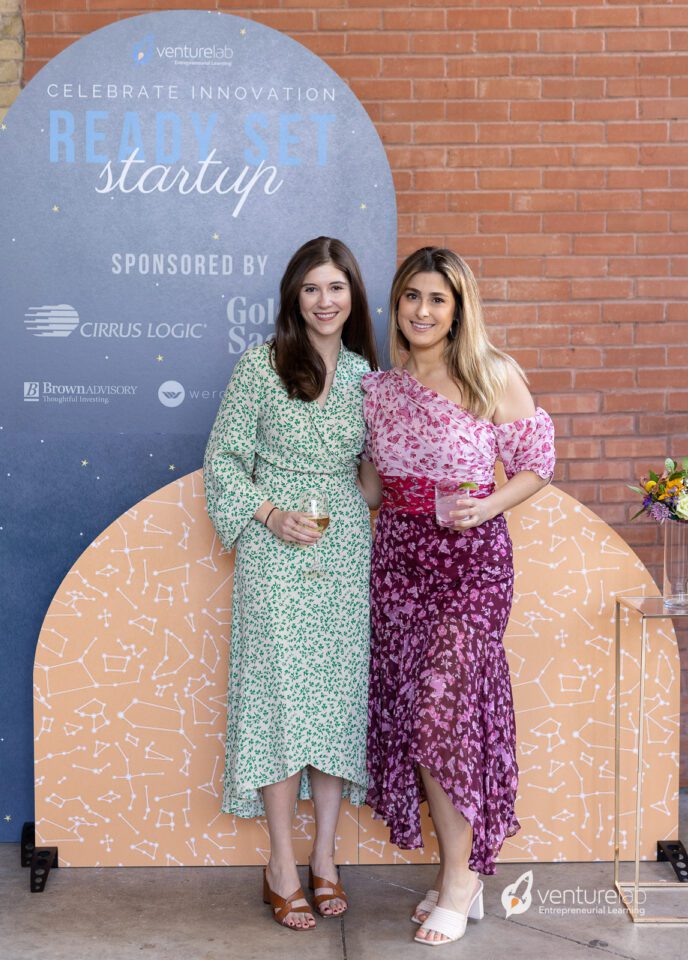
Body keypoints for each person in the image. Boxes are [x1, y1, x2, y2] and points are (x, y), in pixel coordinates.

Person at [359, 247, 555, 946]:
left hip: (472, 563)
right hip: (399, 561)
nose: (421, 311)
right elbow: (375, 491)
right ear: (397, 305)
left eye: (436, 299)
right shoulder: (379, 388)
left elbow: (537, 467)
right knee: (418, 720)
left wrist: (488, 506)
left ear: (458, 306)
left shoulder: (491, 374)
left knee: (447, 711)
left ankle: (463, 879)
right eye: (411, 296)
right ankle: (459, 872)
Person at [203, 236, 379, 931]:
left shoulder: (369, 376)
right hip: (275, 558)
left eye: (336, 288)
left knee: (334, 701)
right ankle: (281, 862)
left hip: (343, 556)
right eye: (311, 288)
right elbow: (222, 461)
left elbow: (366, 483)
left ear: (352, 296)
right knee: (280, 703)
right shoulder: (262, 366)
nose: (324, 301)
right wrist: (271, 515)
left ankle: (326, 858)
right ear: (293, 297)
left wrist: (390, 472)